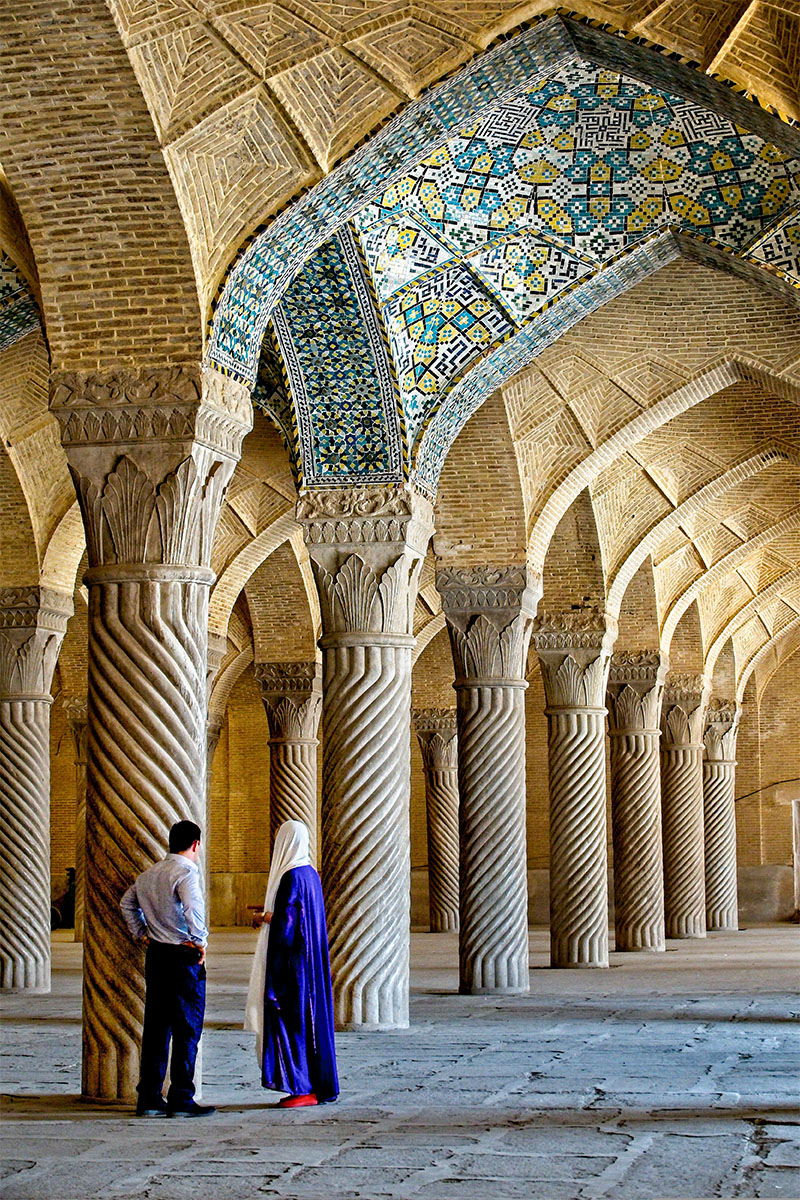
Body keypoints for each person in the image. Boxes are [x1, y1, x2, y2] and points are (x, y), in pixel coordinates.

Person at [120, 819, 215, 1118]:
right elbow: (193, 909)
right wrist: (200, 941)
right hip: (182, 956)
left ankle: (149, 1097)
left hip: (156, 955)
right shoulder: (185, 873)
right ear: (196, 844)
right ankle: (182, 1098)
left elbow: (127, 904)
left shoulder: (149, 874)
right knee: (187, 1028)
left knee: (157, 1028)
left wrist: (142, 932)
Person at [244, 819, 338, 1107]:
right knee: (309, 1023)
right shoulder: (310, 874)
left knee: (291, 1021)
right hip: (309, 965)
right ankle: (314, 1084)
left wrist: (263, 918)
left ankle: (301, 1087)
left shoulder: (291, 877)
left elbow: (287, 925)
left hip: (292, 968)